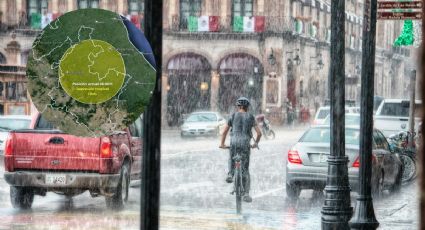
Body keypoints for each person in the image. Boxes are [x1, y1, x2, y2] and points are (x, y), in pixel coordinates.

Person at [219, 97, 262, 203]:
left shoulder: (233, 116)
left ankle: (230, 174)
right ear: (247, 107)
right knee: (245, 170)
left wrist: (222, 144)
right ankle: (246, 194)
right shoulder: (251, 117)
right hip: (245, 144)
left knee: (231, 158)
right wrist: (255, 143)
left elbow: (224, 132)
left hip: (234, 143)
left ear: (238, 107)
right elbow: (259, 133)